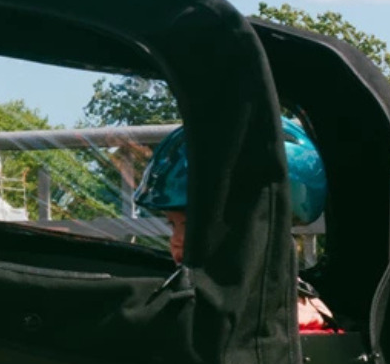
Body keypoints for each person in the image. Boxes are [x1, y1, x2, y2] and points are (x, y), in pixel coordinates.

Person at [134, 115, 334, 329]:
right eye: (172, 226)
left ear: (263, 226)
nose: (176, 240)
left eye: (192, 226)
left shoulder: (294, 319)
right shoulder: (201, 297)